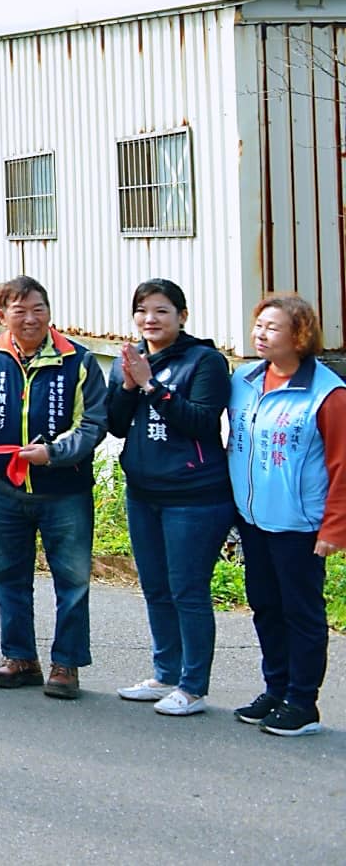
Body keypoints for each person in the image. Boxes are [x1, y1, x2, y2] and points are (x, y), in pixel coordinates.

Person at [0, 275, 107, 699]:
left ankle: (67, 665)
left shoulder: (79, 360)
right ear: (2, 315)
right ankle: (19, 657)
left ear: (50, 312)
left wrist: (53, 453)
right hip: (2, 487)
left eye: (37, 308)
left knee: (72, 580)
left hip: (64, 490)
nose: (29, 317)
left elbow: (94, 424)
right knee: (5, 576)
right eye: (18, 310)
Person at [106, 279, 233, 716]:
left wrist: (151, 386)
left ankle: (193, 686)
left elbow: (200, 422)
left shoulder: (206, 361)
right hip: (143, 494)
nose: (150, 320)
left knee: (188, 590)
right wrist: (126, 386)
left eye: (161, 311)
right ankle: (165, 674)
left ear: (182, 316)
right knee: (156, 588)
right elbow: (117, 426)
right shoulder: (129, 361)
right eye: (142, 311)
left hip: (194, 497)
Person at [225, 293, 346, 736]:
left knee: (302, 613)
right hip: (254, 520)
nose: (260, 333)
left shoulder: (327, 393)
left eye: (271, 327)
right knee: (265, 607)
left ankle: (302, 701)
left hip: (300, 525)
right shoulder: (244, 381)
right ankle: (275, 689)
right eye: (258, 325)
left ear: (300, 335)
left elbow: (342, 465)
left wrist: (334, 527)